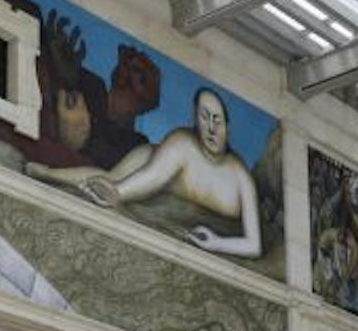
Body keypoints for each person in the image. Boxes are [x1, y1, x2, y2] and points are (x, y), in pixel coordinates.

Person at [25, 89, 262, 257]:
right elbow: (153, 175)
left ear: (228, 128)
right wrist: (118, 193)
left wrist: (217, 243)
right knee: (111, 178)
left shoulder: (241, 177)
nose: (211, 128)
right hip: (150, 159)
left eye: (217, 120)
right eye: (204, 117)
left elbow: (254, 245)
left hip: (160, 175)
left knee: (110, 180)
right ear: (196, 121)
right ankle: (49, 173)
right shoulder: (183, 143)